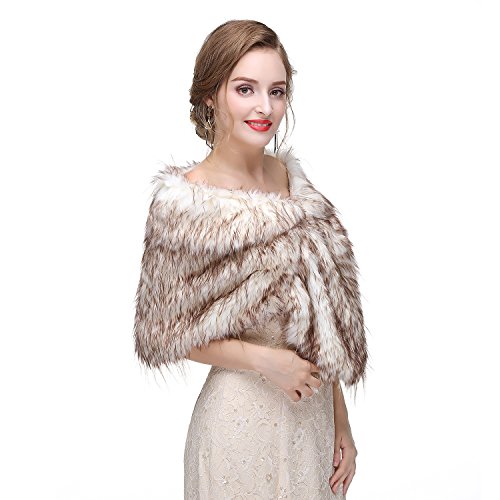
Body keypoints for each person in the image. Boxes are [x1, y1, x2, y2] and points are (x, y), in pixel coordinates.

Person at [133, 19, 369, 499]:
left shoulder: (294, 184)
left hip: (312, 426)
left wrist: (340, 420)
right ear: (210, 96)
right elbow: (166, 332)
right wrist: (265, 361)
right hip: (237, 426)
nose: (265, 107)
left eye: (276, 91)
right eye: (246, 89)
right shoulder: (185, 205)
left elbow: (321, 321)